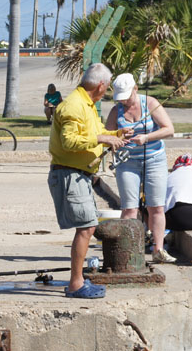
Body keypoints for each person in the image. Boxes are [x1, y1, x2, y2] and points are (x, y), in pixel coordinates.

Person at [48, 63, 131, 299]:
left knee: (88, 226)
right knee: (86, 228)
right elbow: (69, 141)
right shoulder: (74, 106)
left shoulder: (86, 104)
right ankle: (76, 284)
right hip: (70, 174)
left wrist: (116, 135)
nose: (105, 93)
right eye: (106, 89)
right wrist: (104, 138)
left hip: (79, 174)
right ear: (101, 86)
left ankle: (78, 281)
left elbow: (92, 133)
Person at [105, 73, 176, 264]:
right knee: (129, 208)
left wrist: (146, 137)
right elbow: (107, 136)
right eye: (120, 98)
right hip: (127, 162)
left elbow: (169, 129)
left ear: (135, 89)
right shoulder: (116, 110)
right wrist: (118, 135)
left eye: (126, 97)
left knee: (157, 206)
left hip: (154, 159)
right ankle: (126, 251)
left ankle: (158, 249)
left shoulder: (150, 103)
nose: (124, 102)